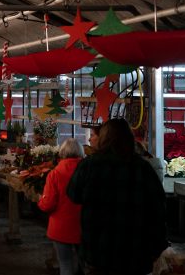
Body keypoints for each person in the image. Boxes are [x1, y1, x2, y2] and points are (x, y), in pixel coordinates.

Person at [67, 118, 168, 275]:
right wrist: (158, 247)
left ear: (104, 138)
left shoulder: (89, 165)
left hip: (97, 250)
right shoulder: (143, 168)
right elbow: (158, 209)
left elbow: (73, 195)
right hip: (135, 253)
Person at [37, 138, 84, 275]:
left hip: (61, 228)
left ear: (62, 153)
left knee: (65, 264)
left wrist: (41, 200)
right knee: (85, 266)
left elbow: (48, 204)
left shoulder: (55, 173)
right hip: (84, 225)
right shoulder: (88, 171)